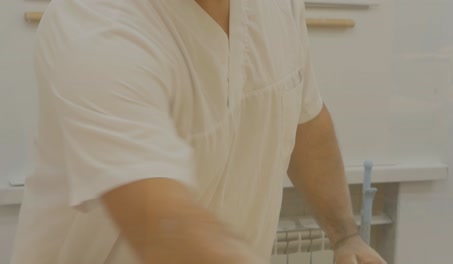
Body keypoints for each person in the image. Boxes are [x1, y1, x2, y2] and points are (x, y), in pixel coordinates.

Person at [11, 0, 387, 263]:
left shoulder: (279, 7)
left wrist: (345, 236)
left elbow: (305, 120)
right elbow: (162, 225)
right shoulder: (96, 24)